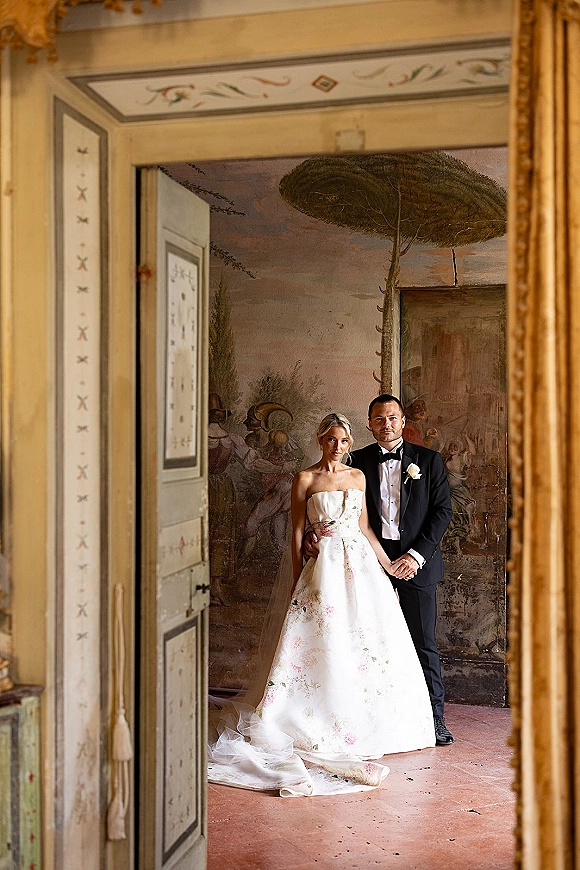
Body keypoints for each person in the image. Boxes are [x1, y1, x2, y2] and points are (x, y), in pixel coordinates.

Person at [208, 413, 435, 797]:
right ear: (320, 440)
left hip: (360, 566)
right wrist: (298, 581)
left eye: (344, 441)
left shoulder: (357, 477)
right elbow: (297, 534)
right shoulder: (305, 479)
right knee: (322, 640)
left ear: (349, 443)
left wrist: (387, 566)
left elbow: (365, 528)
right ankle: (309, 715)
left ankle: (371, 721)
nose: (338, 447)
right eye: (331, 439)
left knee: (365, 639)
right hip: (323, 566)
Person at [305, 396, 454, 746]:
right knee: (367, 641)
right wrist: (313, 533)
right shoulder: (356, 462)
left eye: (392, 417)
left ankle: (434, 719)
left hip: (417, 565)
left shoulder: (429, 461)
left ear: (403, 422)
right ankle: (372, 719)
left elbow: (442, 512)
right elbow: (335, 506)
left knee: (423, 643)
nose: (386, 424)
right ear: (369, 424)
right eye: (378, 419)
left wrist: (415, 556)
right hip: (367, 564)